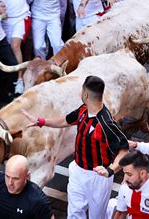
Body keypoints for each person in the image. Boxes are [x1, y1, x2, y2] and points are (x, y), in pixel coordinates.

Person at [22, 75, 129, 218]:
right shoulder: (83, 110)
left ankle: (112, 206)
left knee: (97, 216)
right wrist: (41, 121)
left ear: (85, 94)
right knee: (74, 213)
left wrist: (110, 170)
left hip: (97, 178)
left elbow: (124, 150)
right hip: (78, 171)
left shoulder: (106, 124)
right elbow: (65, 120)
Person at [0, 155, 53, 219]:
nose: (10, 183)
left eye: (15, 178)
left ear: (27, 176)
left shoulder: (37, 200)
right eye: (7, 176)